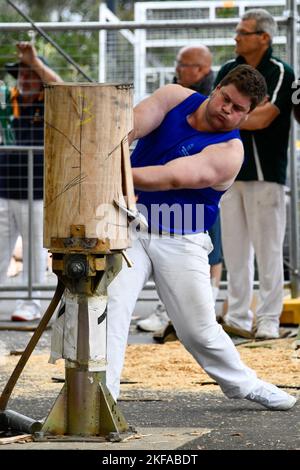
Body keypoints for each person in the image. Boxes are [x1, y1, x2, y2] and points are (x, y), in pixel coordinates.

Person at [106, 64, 297, 411]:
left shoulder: (230, 152)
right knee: (112, 306)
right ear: (217, 88)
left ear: (248, 114)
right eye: (226, 99)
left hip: (183, 237)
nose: (228, 109)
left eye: (239, 109)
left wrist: (112, 173)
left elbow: (172, 177)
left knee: (198, 331)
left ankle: (246, 384)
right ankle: (102, 397)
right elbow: (131, 124)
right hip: (131, 225)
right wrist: (107, 144)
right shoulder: (174, 96)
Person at [215, 9, 295, 340]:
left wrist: (228, 116)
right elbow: (220, 112)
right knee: (234, 250)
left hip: (266, 173)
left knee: (269, 250)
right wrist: (239, 116)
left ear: (264, 37)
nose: (236, 37)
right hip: (229, 171)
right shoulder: (228, 69)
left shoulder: (280, 71)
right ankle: (237, 316)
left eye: (243, 31)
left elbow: (265, 118)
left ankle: (269, 320)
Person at [137, 45, 223, 333]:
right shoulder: (177, 95)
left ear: (200, 69)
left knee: (209, 245)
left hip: (201, 185)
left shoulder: (214, 101)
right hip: (167, 189)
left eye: (182, 64)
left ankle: (204, 304)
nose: (178, 69)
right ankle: (171, 309)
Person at [0, 42, 62, 321]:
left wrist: (36, 62)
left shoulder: (49, 101)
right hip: (4, 186)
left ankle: (32, 303)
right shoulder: (7, 99)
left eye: (30, 73)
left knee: (36, 248)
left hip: (36, 190)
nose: (24, 79)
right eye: (21, 74)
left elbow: (62, 88)